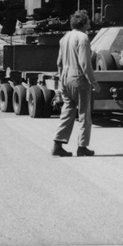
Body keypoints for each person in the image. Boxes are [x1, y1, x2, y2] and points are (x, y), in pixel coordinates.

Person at [52, 10, 100, 157]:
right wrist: (93, 82)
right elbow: (85, 63)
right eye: (88, 21)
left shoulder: (65, 38)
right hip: (78, 78)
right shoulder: (83, 38)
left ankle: (58, 144)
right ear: (84, 23)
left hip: (66, 78)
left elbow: (59, 62)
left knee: (67, 111)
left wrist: (61, 82)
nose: (90, 23)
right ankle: (82, 146)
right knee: (84, 113)